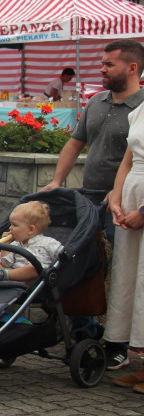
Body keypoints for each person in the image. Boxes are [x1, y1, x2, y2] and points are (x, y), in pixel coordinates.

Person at [42, 39, 144, 371]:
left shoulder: (141, 108)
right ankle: (87, 334)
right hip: (88, 199)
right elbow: (75, 143)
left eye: (108, 64)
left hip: (125, 204)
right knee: (82, 267)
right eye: (101, 63)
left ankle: (122, 342)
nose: (101, 69)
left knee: (123, 275)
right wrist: (58, 181)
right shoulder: (97, 101)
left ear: (132, 68)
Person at [107, 102, 144, 391]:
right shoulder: (140, 110)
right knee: (130, 280)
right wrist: (117, 199)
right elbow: (127, 160)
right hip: (131, 197)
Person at [0, 201, 62, 284]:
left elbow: (63, 254)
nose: (10, 228)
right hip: (11, 275)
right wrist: (5, 246)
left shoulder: (48, 243)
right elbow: (6, 263)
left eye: (14, 225)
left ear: (30, 230)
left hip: (29, 281)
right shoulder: (16, 244)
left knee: (34, 268)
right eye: (10, 224)